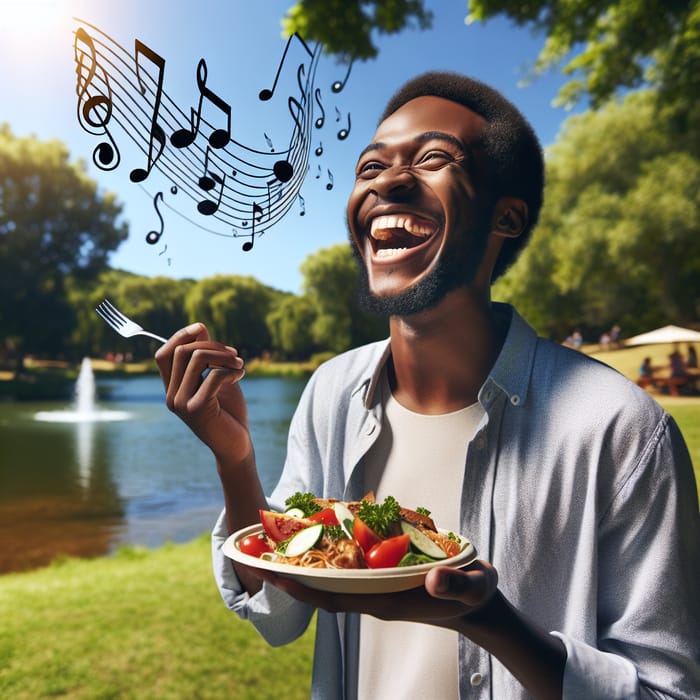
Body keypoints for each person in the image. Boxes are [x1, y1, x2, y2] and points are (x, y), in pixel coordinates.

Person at [155, 72, 700, 699]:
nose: (386, 181)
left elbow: (669, 692)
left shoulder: (620, 429)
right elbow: (278, 613)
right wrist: (236, 458)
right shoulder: (331, 391)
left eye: (434, 158)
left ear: (507, 217)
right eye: (369, 168)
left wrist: (493, 624)